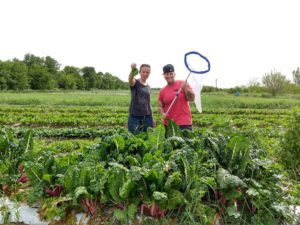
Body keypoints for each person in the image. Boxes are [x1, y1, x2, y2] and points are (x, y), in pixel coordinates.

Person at [158, 64, 195, 132]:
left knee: (187, 142)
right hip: (169, 124)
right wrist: (162, 113)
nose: (169, 76)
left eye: (171, 73)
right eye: (166, 74)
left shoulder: (183, 83)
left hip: (184, 123)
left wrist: (185, 88)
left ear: (174, 74)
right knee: (169, 142)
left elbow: (191, 98)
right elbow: (160, 105)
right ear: (164, 76)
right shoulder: (162, 91)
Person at [128, 63, 154, 134]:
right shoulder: (135, 82)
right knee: (134, 137)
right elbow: (130, 80)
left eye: (147, 72)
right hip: (135, 116)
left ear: (149, 73)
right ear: (139, 72)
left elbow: (149, 103)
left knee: (147, 137)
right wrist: (132, 70)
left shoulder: (149, 87)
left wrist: (152, 118)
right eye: (143, 72)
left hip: (147, 117)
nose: (145, 74)